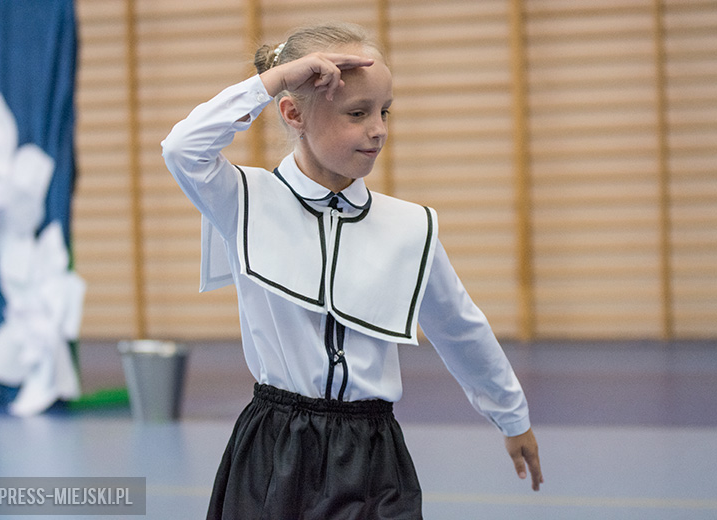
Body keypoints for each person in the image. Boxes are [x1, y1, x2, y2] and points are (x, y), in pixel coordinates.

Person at [162, 21, 542, 520]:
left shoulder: (408, 227)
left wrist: (512, 416)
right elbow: (182, 147)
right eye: (356, 113)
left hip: (372, 455)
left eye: (384, 111)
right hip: (272, 450)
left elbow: (459, 327)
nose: (378, 129)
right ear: (293, 113)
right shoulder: (244, 200)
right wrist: (275, 79)